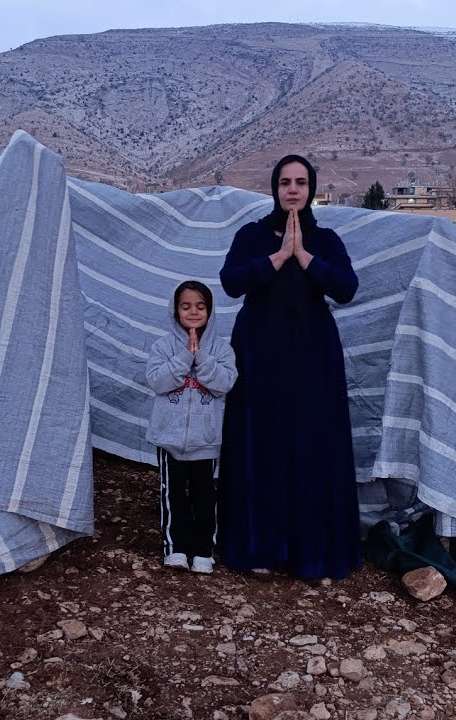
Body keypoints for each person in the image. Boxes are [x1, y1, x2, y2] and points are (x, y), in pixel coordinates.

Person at [218, 154, 361, 579]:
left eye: (300, 182)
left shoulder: (328, 239)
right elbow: (231, 283)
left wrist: (304, 256)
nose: (293, 190)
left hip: (313, 357)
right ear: (275, 188)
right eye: (285, 182)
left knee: (311, 445)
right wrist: (279, 256)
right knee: (260, 443)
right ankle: (261, 546)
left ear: (311, 188)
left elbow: (346, 288)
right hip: (259, 354)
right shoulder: (251, 234)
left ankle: (310, 551)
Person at [145, 280, 238, 574]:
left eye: (200, 306)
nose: (193, 312)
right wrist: (185, 355)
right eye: (186, 306)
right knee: (173, 496)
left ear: (210, 311)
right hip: (170, 439)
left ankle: (203, 551)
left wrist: (201, 357)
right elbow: (158, 382)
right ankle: (175, 549)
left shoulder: (222, 349)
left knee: (205, 496)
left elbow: (224, 384)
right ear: (175, 311)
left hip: (205, 440)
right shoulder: (163, 345)